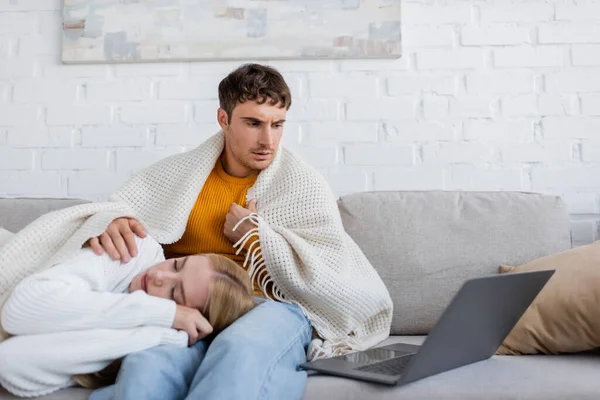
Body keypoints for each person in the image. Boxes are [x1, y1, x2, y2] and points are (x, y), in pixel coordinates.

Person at [32, 63, 392, 400]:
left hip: (265, 305)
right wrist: (111, 222)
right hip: (181, 306)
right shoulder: (177, 176)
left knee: (241, 350)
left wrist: (255, 234)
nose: (268, 139)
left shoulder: (302, 186)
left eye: (278, 124)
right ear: (224, 118)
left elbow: (328, 265)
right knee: (146, 367)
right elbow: (118, 212)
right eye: (253, 123)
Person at [0, 234, 254, 398]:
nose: (159, 276)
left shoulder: (145, 339)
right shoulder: (135, 251)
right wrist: (166, 310)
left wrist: (164, 332)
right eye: (177, 264)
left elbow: (10, 359)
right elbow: (21, 309)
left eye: (175, 293)